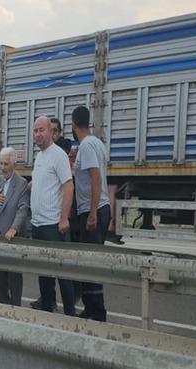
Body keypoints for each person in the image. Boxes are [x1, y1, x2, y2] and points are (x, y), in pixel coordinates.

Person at [29, 115, 75, 315]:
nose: (38, 134)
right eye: (35, 131)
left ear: (50, 131)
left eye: (41, 130)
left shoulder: (58, 155)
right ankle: (48, 311)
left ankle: (70, 315)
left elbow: (68, 186)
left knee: (61, 272)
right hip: (38, 224)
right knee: (44, 274)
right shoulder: (39, 157)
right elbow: (36, 185)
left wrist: (64, 217)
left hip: (52, 225)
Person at [72, 106, 110, 322]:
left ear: (74, 124)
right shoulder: (96, 143)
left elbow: (96, 179)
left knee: (90, 262)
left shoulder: (86, 145)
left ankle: (97, 312)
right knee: (89, 261)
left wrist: (92, 213)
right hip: (100, 207)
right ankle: (91, 306)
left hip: (92, 209)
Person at [0, 148, 29, 306]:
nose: (3, 167)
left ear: (13, 164)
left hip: (12, 238)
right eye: (1, 163)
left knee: (14, 277)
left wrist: (14, 228)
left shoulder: (22, 183)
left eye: (6, 164)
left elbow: (23, 209)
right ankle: (1, 307)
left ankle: (15, 308)